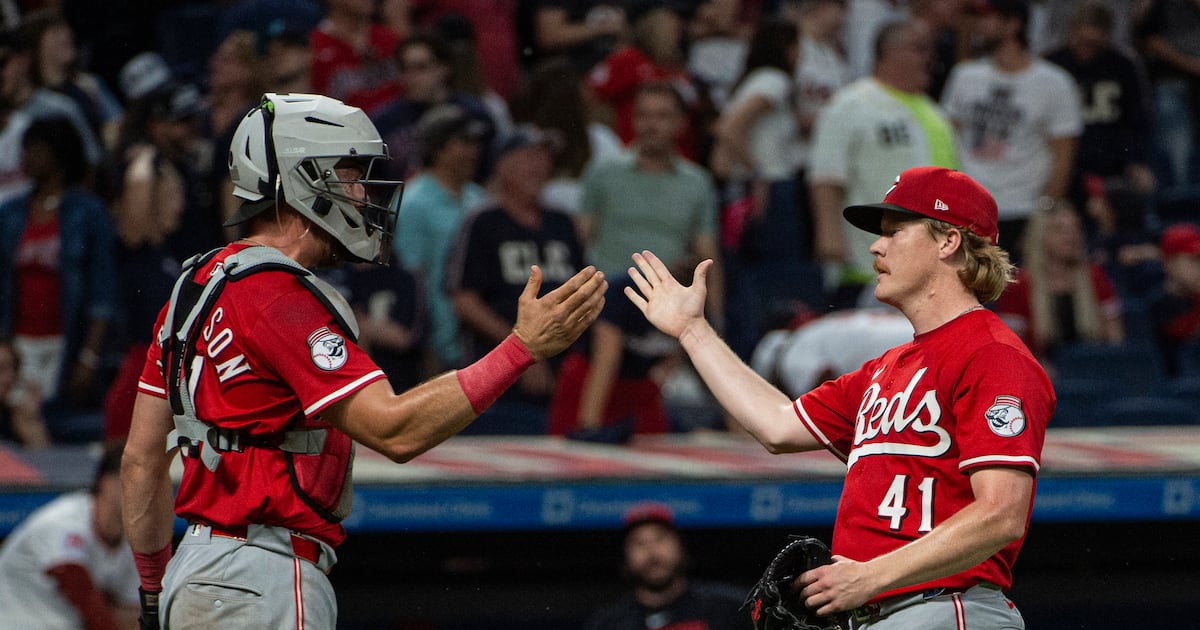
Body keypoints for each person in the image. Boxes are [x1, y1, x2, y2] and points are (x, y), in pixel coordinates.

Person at [120, 93, 606, 629]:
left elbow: (140, 462)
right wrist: (521, 350)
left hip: (193, 570)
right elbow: (395, 431)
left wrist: (151, 590)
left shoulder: (192, 289)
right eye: (348, 175)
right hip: (263, 577)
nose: (361, 193)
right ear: (298, 178)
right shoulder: (279, 297)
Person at [625, 165, 1053, 627]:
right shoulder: (885, 369)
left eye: (895, 231)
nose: (875, 245)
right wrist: (693, 330)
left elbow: (1001, 514)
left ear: (949, 241)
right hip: (878, 610)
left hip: (947, 606)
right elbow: (777, 425)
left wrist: (872, 576)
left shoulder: (991, 354)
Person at [445, 125, 589, 434]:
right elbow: (465, 301)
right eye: (529, 156)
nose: (539, 166)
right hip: (499, 378)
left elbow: (581, 292)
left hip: (563, 373)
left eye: (544, 157)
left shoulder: (561, 223)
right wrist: (522, 354)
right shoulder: (484, 223)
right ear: (503, 165)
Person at [808, 19, 959, 310]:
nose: (929, 59)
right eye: (920, 49)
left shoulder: (936, 114)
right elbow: (826, 175)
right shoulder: (851, 103)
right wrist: (829, 235)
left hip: (931, 268)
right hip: (865, 263)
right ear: (891, 51)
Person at [0, 116, 117, 441]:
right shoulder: (10, 214)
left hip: (66, 344)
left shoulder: (88, 213)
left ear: (59, 154)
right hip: (18, 345)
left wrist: (89, 355)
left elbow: (102, 291)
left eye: (36, 149)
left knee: (55, 424)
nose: (26, 158)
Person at [940, 0, 1082, 258]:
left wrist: (1044, 215)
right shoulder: (965, 75)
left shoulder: (1054, 82)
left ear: (1013, 24)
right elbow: (948, 140)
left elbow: (1063, 156)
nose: (979, 26)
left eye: (987, 18)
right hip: (969, 212)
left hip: (1025, 211)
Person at [579, 82, 722, 320]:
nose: (650, 125)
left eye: (661, 116)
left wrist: (716, 321)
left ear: (681, 123)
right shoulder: (603, 172)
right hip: (606, 303)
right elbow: (578, 241)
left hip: (666, 305)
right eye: (643, 115)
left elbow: (709, 260)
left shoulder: (698, 182)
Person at [0, 440, 140, 628]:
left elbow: (134, 611)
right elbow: (78, 588)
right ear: (107, 482)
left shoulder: (130, 537)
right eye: (136, 481)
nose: (146, 489)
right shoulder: (64, 519)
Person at [393, 104, 488, 370]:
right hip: (436, 345)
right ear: (438, 148)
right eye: (464, 143)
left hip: (478, 340)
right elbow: (413, 280)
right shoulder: (413, 203)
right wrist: (427, 344)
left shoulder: (479, 199)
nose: (473, 152)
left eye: (475, 143)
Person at [994, 203, 1124, 368]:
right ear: (1040, 236)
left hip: (1095, 369)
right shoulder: (1019, 285)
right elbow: (1011, 348)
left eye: (1075, 229)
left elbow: (1115, 339)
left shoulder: (1095, 277)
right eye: (1059, 230)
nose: (1071, 237)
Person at [583, 502, 749, 630]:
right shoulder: (607, 623)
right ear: (625, 557)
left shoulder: (726, 609)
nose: (652, 551)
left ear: (681, 546)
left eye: (660, 538)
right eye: (639, 543)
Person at [1149, 222, 1200, 377]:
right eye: (1193, 260)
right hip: (1174, 383)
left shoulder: (1195, 298)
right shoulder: (1158, 302)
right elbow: (1183, 331)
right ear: (1169, 263)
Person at [0, 338, 51, 447]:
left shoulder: (15, 417)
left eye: (14, 369)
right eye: (1, 369)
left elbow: (44, 458)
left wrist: (30, 419)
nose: (10, 378)